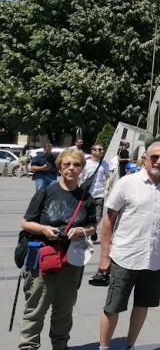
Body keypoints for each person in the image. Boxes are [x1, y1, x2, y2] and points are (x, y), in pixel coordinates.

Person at [97, 142, 160, 350]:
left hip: (154, 259)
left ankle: (129, 345)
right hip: (125, 256)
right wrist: (104, 256)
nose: (159, 162)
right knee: (113, 306)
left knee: (143, 305)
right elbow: (109, 219)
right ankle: (104, 347)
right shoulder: (127, 183)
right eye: (155, 157)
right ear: (145, 158)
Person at [19, 148, 97, 350]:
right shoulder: (46, 192)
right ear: (60, 168)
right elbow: (26, 223)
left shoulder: (86, 197)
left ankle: (60, 345)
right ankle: (28, 346)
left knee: (64, 309)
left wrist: (81, 230)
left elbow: (92, 227)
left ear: (81, 169)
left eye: (76, 164)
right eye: (67, 164)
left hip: (71, 261)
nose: (72, 168)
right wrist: (44, 229)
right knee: (36, 308)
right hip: (43, 258)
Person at [82, 143, 111, 243]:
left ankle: (93, 228)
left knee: (99, 217)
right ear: (93, 151)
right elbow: (79, 178)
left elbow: (107, 177)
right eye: (99, 149)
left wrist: (107, 188)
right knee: (85, 215)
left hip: (99, 194)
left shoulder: (104, 164)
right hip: (87, 193)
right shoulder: (86, 163)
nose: (101, 151)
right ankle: (90, 230)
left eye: (102, 149)